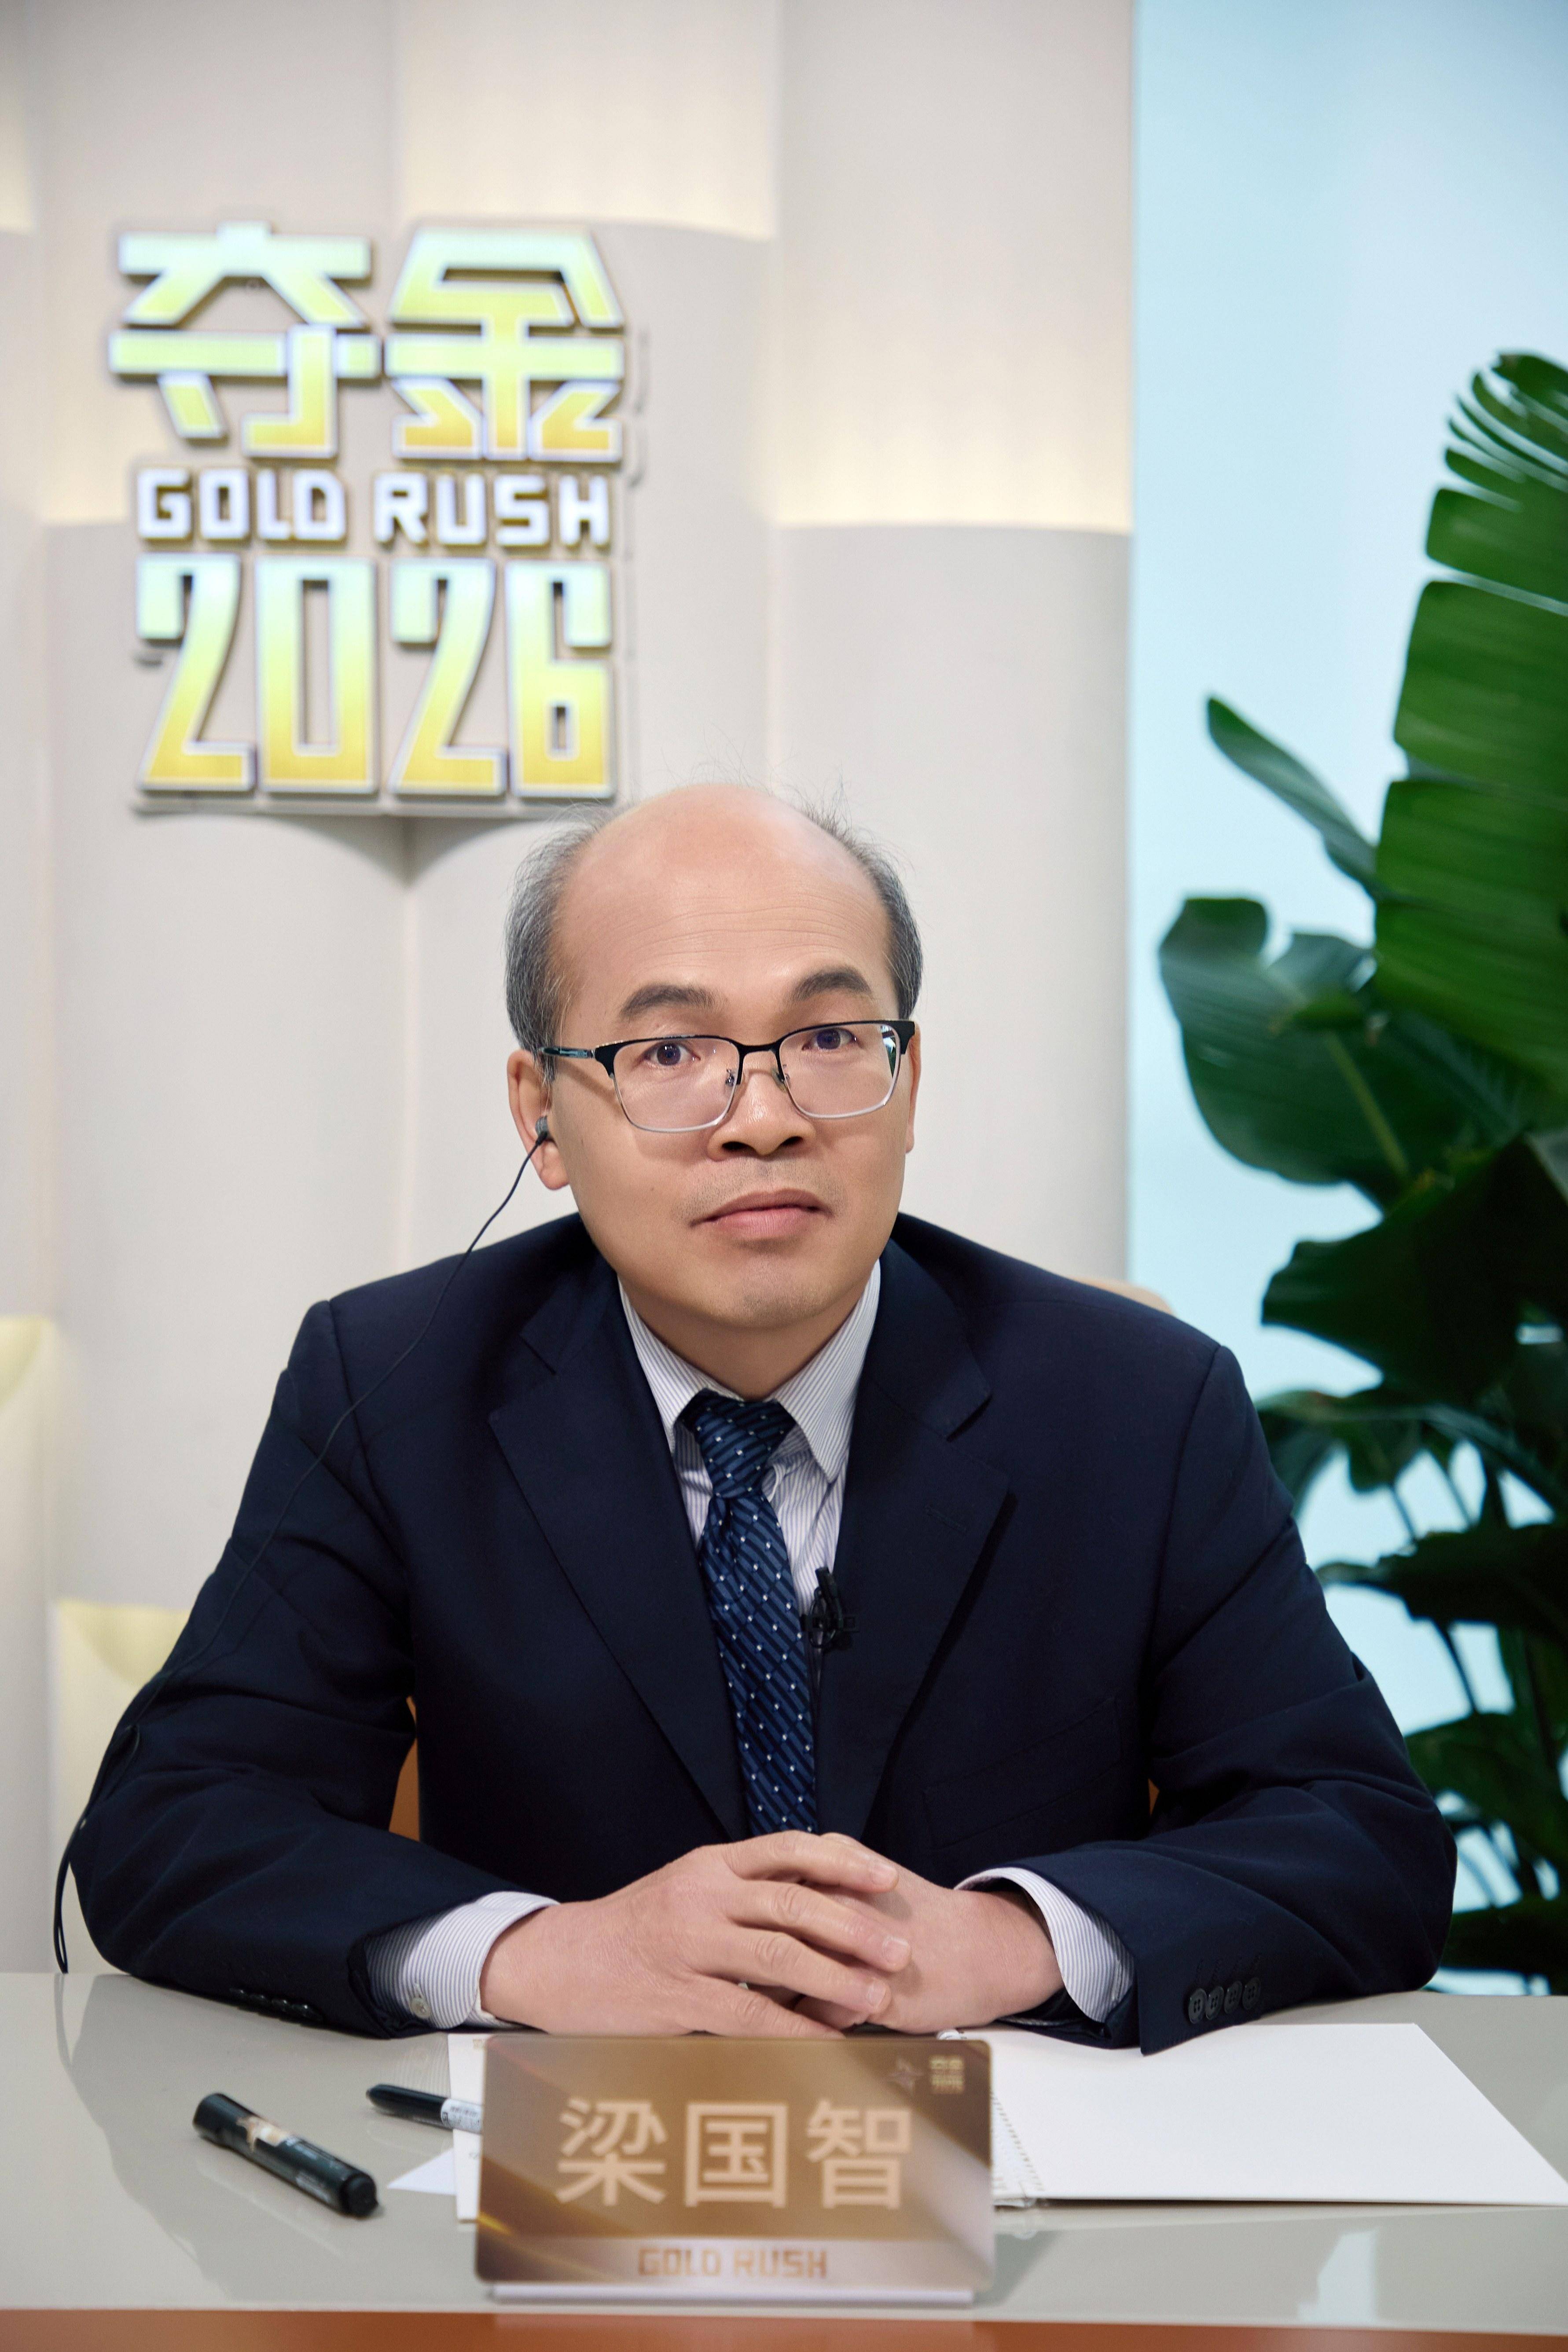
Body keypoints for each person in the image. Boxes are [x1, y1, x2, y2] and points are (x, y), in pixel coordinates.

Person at [70, 785, 1454, 2050]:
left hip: (1019, 2181)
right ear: (541, 1116)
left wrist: (1009, 1938)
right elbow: (176, 1824)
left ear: (909, 1084)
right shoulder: (394, 1384)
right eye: (671, 1048)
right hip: (551, 2168)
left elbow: (1354, 1833)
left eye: (830, 1038)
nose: (763, 1116)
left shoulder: (1137, 1404)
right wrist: (537, 1953)